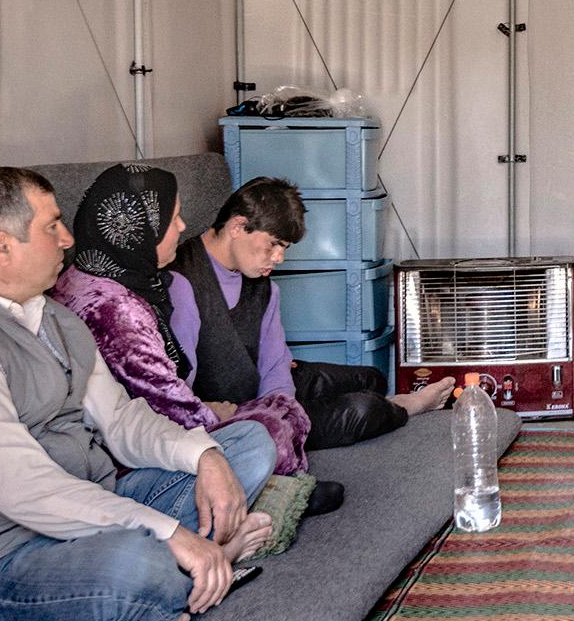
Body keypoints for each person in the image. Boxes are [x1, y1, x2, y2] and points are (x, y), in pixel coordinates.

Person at [0, 168, 275, 621]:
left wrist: (205, 457)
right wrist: (171, 533)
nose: (68, 239)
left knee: (249, 444)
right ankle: (196, 562)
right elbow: (31, 493)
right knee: (136, 565)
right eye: (52, 226)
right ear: (1, 247)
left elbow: (121, 420)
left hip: (87, 511)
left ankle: (189, 571)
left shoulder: (51, 316)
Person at [51, 165, 314, 478]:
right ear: (138, 228)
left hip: (147, 431)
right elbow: (167, 406)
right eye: (172, 218)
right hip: (142, 456)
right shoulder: (117, 311)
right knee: (268, 431)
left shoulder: (94, 276)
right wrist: (216, 413)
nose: (182, 226)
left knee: (322, 392)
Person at [172, 177, 454, 449]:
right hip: (228, 411)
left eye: (284, 248)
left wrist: (282, 408)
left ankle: (376, 403)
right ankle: (407, 406)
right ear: (237, 226)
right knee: (361, 409)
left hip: (260, 386)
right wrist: (269, 420)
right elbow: (175, 392)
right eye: (273, 244)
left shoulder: (263, 285)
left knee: (371, 378)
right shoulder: (182, 281)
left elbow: (273, 362)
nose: (279, 258)